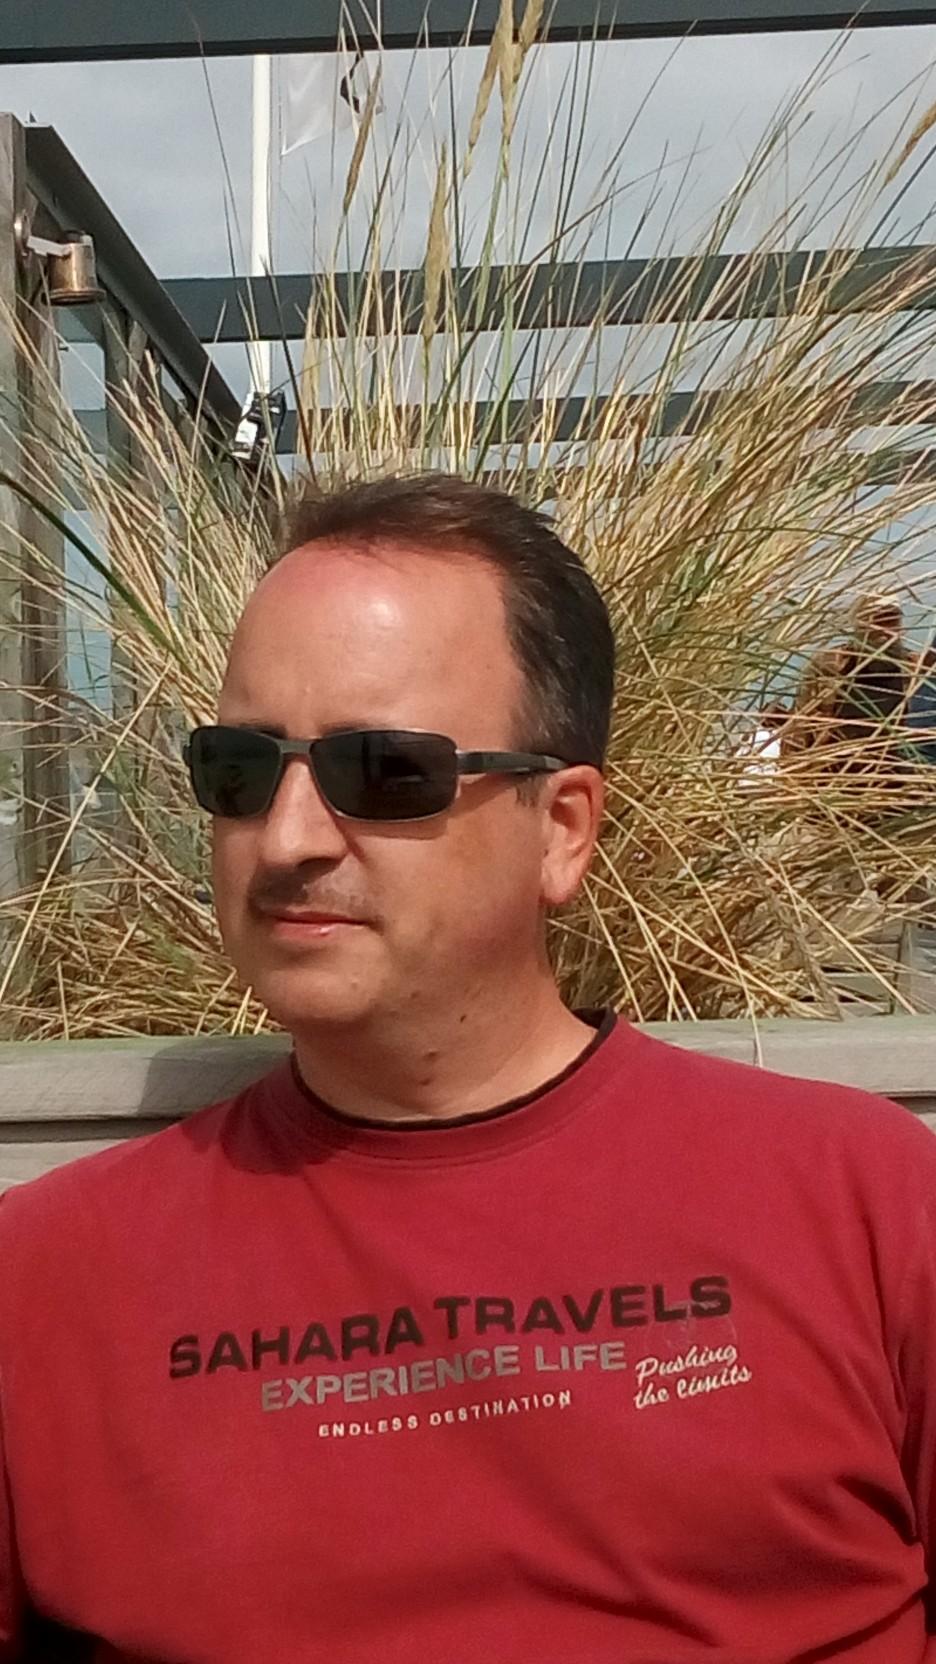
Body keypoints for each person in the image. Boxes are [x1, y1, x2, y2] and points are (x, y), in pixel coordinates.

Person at [4, 475, 936, 1663]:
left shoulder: (865, 1204)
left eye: (385, 770)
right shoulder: (45, 1283)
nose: (286, 838)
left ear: (564, 829)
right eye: (240, 768)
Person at [786, 592, 921, 772]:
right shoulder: (828, 665)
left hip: (898, 774)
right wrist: (791, 776)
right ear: (858, 625)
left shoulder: (917, 669)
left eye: (891, 621)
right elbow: (800, 726)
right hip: (834, 772)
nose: (885, 631)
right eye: (877, 621)